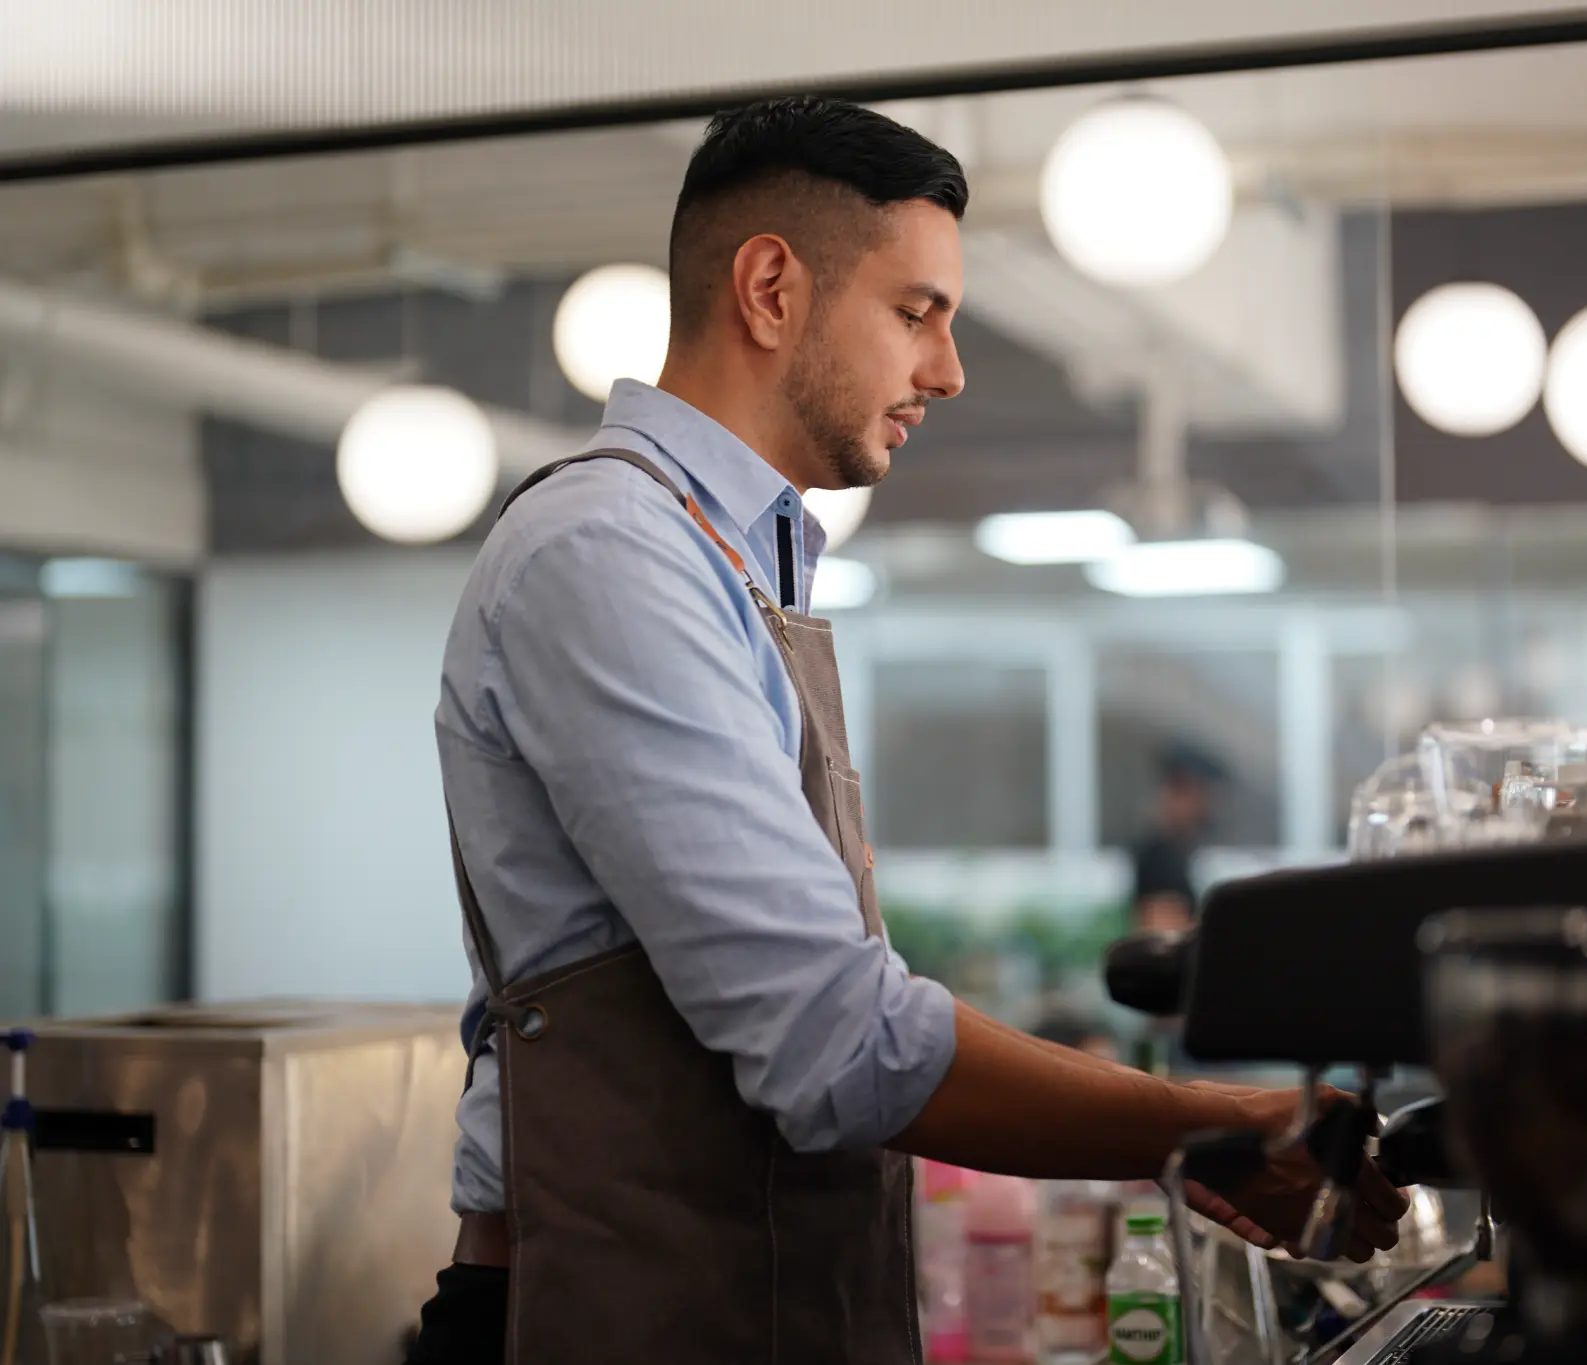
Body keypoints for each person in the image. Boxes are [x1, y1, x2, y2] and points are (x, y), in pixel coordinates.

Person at [411, 97, 1405, 1365]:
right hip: (601, 1314)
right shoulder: (607, 554)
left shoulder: (728, 561)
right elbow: (832, 1038)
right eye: (915, 312)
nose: (946, 371)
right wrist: (1203, 1123)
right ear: (770, 288)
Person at [1129, 741, 1231, 935]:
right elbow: (1163, 933)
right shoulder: (1157, 857)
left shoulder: (1183, 853)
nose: (1207, 805)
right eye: (1199, 794)